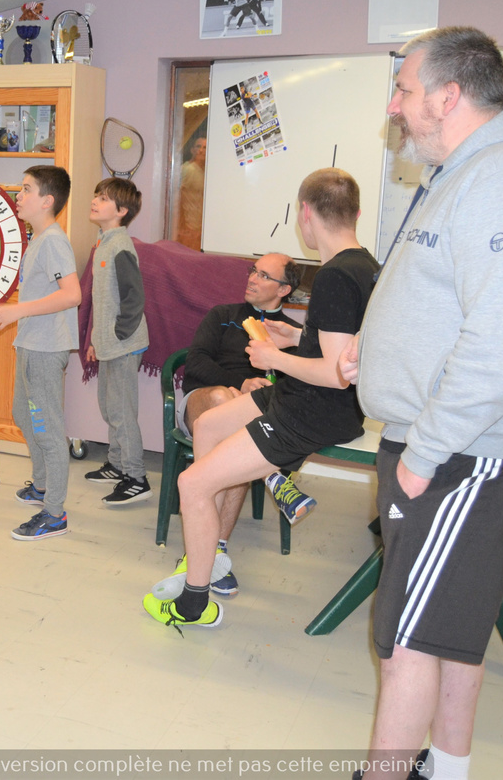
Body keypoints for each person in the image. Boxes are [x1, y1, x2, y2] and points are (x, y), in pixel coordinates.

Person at [342, 27, 503, 780]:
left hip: (463, 453)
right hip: (453, 445)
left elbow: (498, 351)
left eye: (404, 89)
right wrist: (374, 349)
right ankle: (444, 769)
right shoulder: (463, 171)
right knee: (448, 631)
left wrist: (421, 455)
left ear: (448, 97)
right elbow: (440, 297)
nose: (394, 105)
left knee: (407, 640)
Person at [143, 168, 378, 629]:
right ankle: (212, 551)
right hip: (306, 398)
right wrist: (298, 338)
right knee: (208, 424)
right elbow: (344, 347)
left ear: (305, 214)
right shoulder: (366, 265)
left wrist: (273, 356)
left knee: (192, 484)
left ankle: (194, 604)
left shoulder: (333, 276)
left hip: (313, 410)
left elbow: (337, 376)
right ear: (356, 213)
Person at [177, 251, 304, 597]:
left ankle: (214, 551)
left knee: (239, 445)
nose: (252, 278)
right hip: (203, 403)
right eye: (253, 271)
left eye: (264, 275)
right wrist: (240, 384)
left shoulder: (291, 335)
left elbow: (297, 386)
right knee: (224, 402)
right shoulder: (223, 315)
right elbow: (195, 363)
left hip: (248, 421)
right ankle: (273, 477)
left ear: (284, 290)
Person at [0, 166, 82, 541]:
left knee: (47, 429)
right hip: (31, 342)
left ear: (47, 201)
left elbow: (71, 295)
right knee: (23, 414)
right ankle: (42, 485)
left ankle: (54, 514)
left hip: (45, 347)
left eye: (26, 189)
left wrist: (17, 311)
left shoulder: (54, 241)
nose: (18, 195)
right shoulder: (38, 238)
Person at [82, 178, 150, 505]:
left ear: (121, 211)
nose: (95, 200)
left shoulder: (120, 245)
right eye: (96, 195)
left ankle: (136, 477)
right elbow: (104, 299)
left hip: (124, 345)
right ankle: (117, 464)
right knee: (110, 407)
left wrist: (119, 335)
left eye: (104, 198)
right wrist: (97, 340)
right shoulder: (104, 241)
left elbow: (134, 297)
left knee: (122, 412)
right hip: (109, 343)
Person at [176, 137, 205, 249]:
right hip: (189, 230)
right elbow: (176, 198)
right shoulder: (188, 169)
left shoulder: (204, 171)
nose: (201, 150)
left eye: (205, 147)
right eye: (198, 146)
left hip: (199, 229)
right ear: (192, 150)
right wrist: (182, 227)